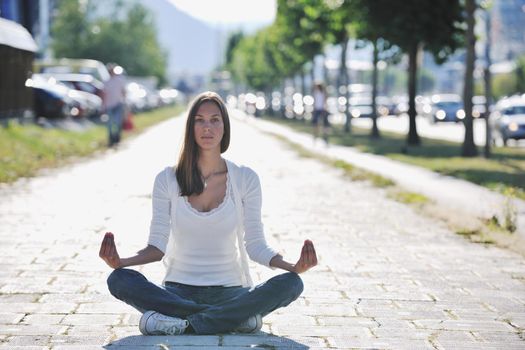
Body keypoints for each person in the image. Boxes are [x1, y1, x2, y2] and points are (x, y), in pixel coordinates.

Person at [99, 91, 318, 336]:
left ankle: (186, 322)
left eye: (215, 120)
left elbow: (255, 244)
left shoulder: (245, 178)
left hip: (232, 292)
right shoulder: (167, 179)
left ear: (225, 127)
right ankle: (231, 319)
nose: (207, 127)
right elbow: (157, 247)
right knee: (118, 279)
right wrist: (121, 262)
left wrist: (292, 265)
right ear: (190, 127)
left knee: (291, 283)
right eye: (200, 120)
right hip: (177, 292)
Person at [102, 63, 127, 147]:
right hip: (109, 105)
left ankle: (117, 138)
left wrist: (125, 102)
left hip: (118, 104)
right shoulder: (106, 82)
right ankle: (111, 139)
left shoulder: (119, 80)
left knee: (117, 122)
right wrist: (103, 105)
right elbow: (104, 94)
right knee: (110, 124)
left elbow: (123, 92)